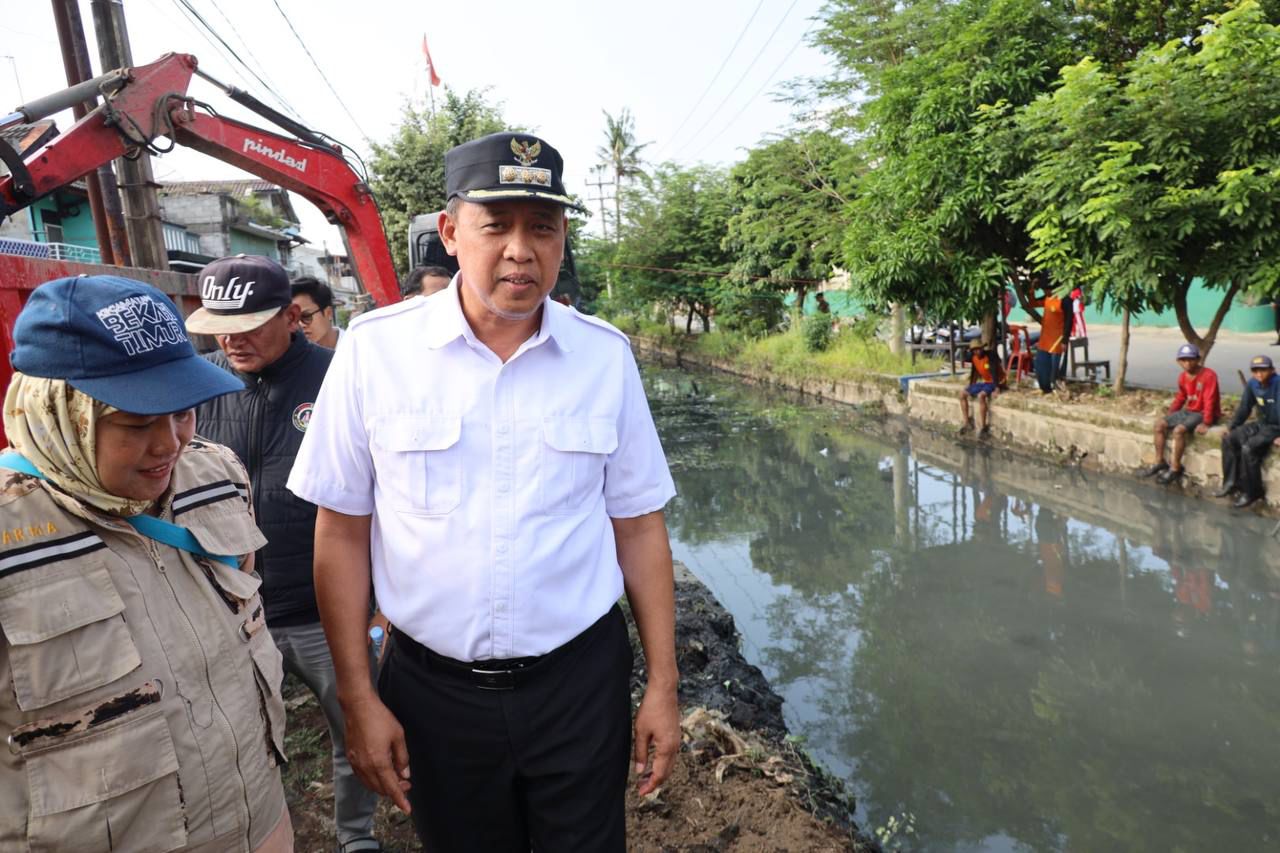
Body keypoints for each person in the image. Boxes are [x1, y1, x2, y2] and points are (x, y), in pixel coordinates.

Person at [288, 131, 680, 852]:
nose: (520, 250)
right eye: (495, 225)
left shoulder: (604, 358)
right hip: (434, 693)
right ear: (450, 231)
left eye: (543, 227)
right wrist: (357, 692)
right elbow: (340, 531)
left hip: (579, 684)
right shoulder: (375, 352)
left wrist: (663, 682)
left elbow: (638, 523)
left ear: (564, 238)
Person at [0, 275, 292, 850]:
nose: (171, 444)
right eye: (136, 424)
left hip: (259, 821)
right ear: (59, 413)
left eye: (183, 413)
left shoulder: (217, 477)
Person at [186, 256, 381, 853]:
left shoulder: (342, 376)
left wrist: (381, 608)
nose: (231, 337)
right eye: (220, 323)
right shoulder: (199, 384)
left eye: (248, 322)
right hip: (227, 610)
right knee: (229, 736)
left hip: (325, 612)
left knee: (355, 722)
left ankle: (357, 833)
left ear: (294, 317)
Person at [1139, 343, 1221, 485]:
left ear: (1198, 359)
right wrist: (1170, 415)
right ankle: (1159, 462)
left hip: (1201, 412)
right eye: (1183, 360)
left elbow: (1210, 399)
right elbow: (1181, 397)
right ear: (1178, 361)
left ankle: (1175, 467)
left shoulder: (1209, 375)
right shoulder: (1183, 377)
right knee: (1159, 424)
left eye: (1191, 359)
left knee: (1179, 431)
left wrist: (1207, 422)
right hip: (1189, 411)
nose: (1187, 363)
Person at [1214, 354, 1280, 509]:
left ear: (1272, 370)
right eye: (1255, 370)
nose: (1259, 374)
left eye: (1263, 370)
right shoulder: (1252, 384)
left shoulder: (1278, 384)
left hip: (1276, 428)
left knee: (1249, 448)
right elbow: (1244, 408)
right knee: (1230, 439)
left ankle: (1252, 492)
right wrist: (1231, 426)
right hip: (1262, 424)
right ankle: (1231, 483)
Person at [1027, 276, 1073, 393]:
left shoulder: (1065, 300)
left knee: (1054, 367)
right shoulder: (1046, 298)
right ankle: (1044, 388)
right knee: (1040, 365)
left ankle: (1054, 388)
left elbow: (1069, 321)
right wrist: (1031, 289)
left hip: (1057, 339)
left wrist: (1065, 340)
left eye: (1046, 289)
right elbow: (1032, 303)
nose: (1044, 292)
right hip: (1045, 338)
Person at [959, 338, 1006, 438]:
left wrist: (997, 388)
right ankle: (966, 422)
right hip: (986, 382)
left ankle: (983, 426)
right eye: (975, 350)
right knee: (962, 394)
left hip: (996, 381)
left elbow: (994, 372)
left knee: (981, 395)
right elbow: (974, 373)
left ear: (982, 348)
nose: (977, 351)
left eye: (979, 349)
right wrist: (971, 385)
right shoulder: (974, 358)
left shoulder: (990, 356)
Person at [291, 276, 343, 349]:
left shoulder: (358, 347)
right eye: (293, 319)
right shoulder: (295, 356)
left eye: (306, 316)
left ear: (328, 313)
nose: (301, 325)